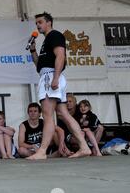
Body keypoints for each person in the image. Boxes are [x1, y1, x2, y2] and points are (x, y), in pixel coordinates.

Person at [28, 12, 91, 160]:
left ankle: (42, 151)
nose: (38, 25)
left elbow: (61, 55)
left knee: (48, 114)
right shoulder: (46, 41)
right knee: (63, 114)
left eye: (40, 22)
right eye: (36, 23)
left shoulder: (54, 35)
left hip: (51, 77)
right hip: (48, 75)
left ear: (49, 22)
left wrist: (55, 77)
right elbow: (39, 65)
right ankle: (84, 147)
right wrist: (33, 50)